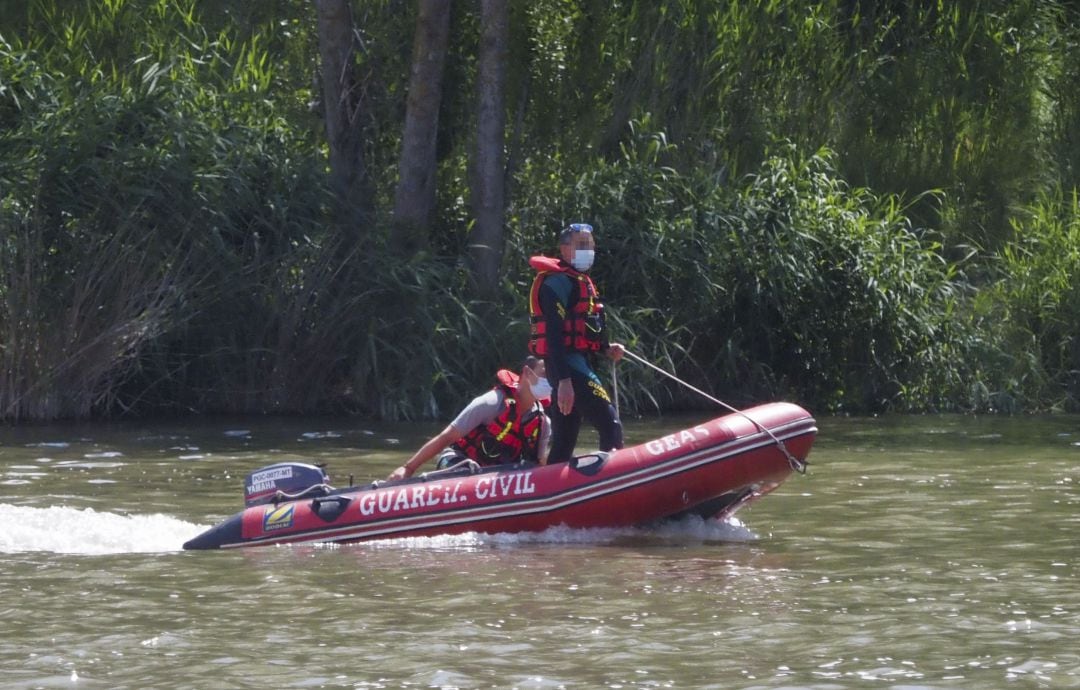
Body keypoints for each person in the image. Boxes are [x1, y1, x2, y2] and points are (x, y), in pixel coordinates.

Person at [527, 222, 624, 464]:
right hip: (567, 369)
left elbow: (582, 332)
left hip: (572, 365)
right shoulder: (555, 283)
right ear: (564, 249)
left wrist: (605, 348)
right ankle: (611, 490)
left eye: (590, 245)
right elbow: (554, 338)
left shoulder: (579, 281)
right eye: (581, 245)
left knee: (565, 439)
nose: (588, 250)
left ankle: (551, 493)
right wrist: (564, 382)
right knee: (610, 425)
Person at [387, 357, 552, 480]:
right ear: (526, 373)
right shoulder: (492, 403)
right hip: (459, 462)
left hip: (497, 478)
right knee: (467, 469)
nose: (550, 380)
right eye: (544, 373)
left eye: (553, 375)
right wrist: (407, 468)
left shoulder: (543, 423)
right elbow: (447, 437)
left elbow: (539, 463)